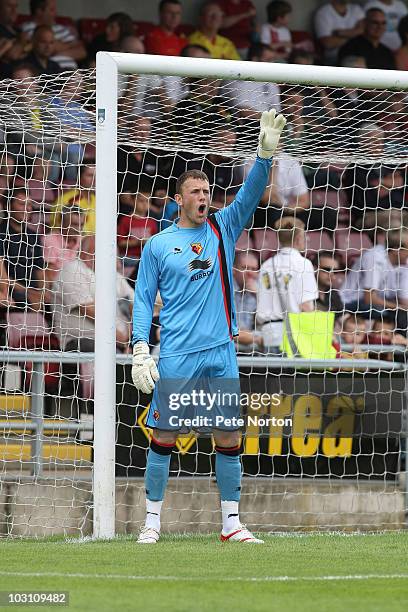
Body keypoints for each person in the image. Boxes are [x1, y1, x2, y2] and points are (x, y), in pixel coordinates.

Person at [131, 109, 286, 544]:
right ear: (180, 199)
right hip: (179, 352)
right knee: (164, 435)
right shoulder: (158, 245)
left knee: (229, 435)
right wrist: (140, 347)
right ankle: (152, 522)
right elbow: (143, 299)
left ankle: (231, 524)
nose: (204, 196)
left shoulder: (222, 227)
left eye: (207, 190)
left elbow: (250, 196)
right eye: (196, 191)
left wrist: (264, 155)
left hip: (221, 349)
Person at [256, 216, 318, 353]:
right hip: (294, 336)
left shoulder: (266, 265)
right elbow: (306, 306)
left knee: (269, 375)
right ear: (298, 239)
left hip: (268, 335)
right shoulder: (303, 264)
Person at [339, 228, 408, 329]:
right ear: (396, 249)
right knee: (384, 312)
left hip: (379, 302)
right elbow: (369, 298)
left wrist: (403, 307)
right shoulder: (374, 257)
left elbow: (404, 300)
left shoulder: (403, 263)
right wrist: (400, 307)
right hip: (351, 302)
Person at [0, 187, 47, 310]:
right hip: (12, 289)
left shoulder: (33, 236)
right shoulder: (1, 234)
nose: (27, 208)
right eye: (22, 204)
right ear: (8, 207)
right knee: (25, 299)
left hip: (33, 290)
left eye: (30, 205)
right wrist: (30, 292)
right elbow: (2, 277)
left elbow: (39, 269)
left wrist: (43, 292)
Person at [21, 0, 86, 70]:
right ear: (39, 11)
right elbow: (51, 47)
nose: (56, 13)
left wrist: (59, 52)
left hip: (73, 74)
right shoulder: (28, 28)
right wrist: (71, 45)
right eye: (52, 10)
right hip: (52, 74)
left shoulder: (61, 28)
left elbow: (82, 52)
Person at [314, 0, 365, 65]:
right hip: (335, 58)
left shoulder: (356, 9)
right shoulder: (323, 13)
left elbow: (365, 31)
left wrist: (340, 33)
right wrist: (355, 34)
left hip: (359, 55)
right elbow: (328, 43)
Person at [233, 250, 263, 352]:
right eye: (245, 268)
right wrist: (254, 338)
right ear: (233, 269)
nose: (250, 273)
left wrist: (258, 295)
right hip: (231, 349)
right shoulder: (224, 291)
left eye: (254, 269)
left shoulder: (259, 289)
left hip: (253, 349)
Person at [51, 165, 96, 234]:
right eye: (90, 175)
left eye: (97, 175)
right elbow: (57, 229)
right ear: (79, 177)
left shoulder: (100, 201)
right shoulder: (65, 200)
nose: (95, 179)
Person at [313, 251, 344, 317]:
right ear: (314, 269)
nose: (331, 275)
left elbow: (342, 317)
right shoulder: (304, 293)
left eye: (335, 271)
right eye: (327, 269)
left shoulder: (333, 293)